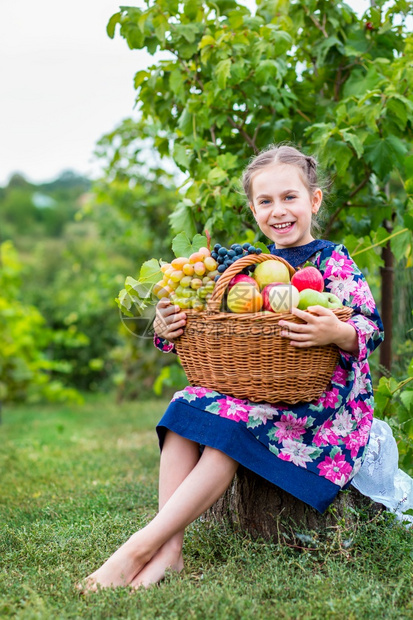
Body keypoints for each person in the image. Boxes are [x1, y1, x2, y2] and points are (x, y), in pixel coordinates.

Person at [79, 144, 410, 593]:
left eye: (290, 197)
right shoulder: (249, 269)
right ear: (253, 209)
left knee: (226, 436)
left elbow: (370, 327)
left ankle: (139, 546)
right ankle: (170, 550)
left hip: (318, 405)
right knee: (184, 410)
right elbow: (214, 324)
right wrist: (168, 325)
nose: (279, 211)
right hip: (255, 392)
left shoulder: (330, 261)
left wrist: (336, 332)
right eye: (265, 201)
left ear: (313, 201)